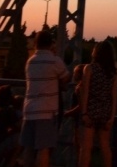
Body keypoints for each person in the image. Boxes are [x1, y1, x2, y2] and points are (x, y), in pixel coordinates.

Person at [21, 29, 70, 167]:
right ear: (51, 44)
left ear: (36, 43)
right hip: (47, 112)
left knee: (29, 148)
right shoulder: (54, 61)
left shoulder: (30, 62)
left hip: (29, 110)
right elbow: (65, 77)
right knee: (44, 149)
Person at [78, 40, 117, 167]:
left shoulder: (89, 68)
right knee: (105, 147)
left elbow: (85, 92)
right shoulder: (113, 73)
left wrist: (84, 112)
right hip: (105, 112)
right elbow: (114, 96)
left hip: (91, 110)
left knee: (86, 147)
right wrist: (111, 117)